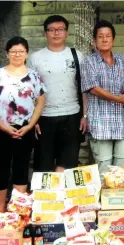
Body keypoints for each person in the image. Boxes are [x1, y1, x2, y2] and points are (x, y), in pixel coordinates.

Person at [28, 15, 87, 172]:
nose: (56, 33)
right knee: (43, 165)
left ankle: (62, 195)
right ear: (45, 33)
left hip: (72, 116)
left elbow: (84, 89)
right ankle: (46, 196)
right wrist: (33, 120)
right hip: (44, 117)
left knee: (67, 164)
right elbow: (29, 91)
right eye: (51, 30)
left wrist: (84, 116)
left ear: (67, 33)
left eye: (60, 29)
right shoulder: (35, 58)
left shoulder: (77, 56)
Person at [81, 20, 124, 181]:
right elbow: (92, 87)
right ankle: (104, 204)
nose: (104, 39)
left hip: (121, 123)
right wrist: (119, 99)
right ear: (94, 41)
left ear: (113, 39)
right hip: (100, 123)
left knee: (123, 167)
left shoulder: (122, 61)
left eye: (108, 36)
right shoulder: (89, 61)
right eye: (100, 37)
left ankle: (121, 203)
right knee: (104, 169)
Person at [0, 36, 46, 212]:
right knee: (1, 170)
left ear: (27, 53)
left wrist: (30, 125)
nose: (17, 54)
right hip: (2, 129)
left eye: (21, 51)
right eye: (13, 51)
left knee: (21, 168)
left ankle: (18, 212)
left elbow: (40, 102)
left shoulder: (34, 76)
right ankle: (1, 212)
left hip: (25, 129)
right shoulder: (0, 74)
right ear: (7, 53)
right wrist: (2, 125)